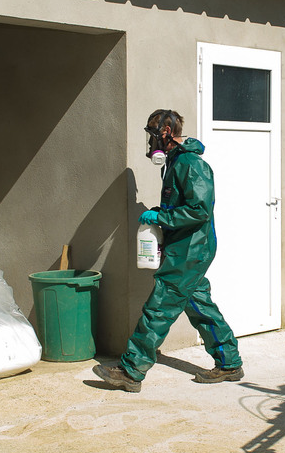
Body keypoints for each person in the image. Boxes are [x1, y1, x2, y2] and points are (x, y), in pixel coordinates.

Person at [93, 109, 243, 392]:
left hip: (191, 249)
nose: (151, 143)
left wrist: (161, 218)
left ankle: (131, 371)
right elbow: (182, 205)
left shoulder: (190, 164)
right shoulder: (173, 163)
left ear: (165, 133)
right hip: (185, 247)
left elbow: (199, 210)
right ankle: (229, 362)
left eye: (152, 135)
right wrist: (161, 213)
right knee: (199, 305)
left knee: (158, 307)